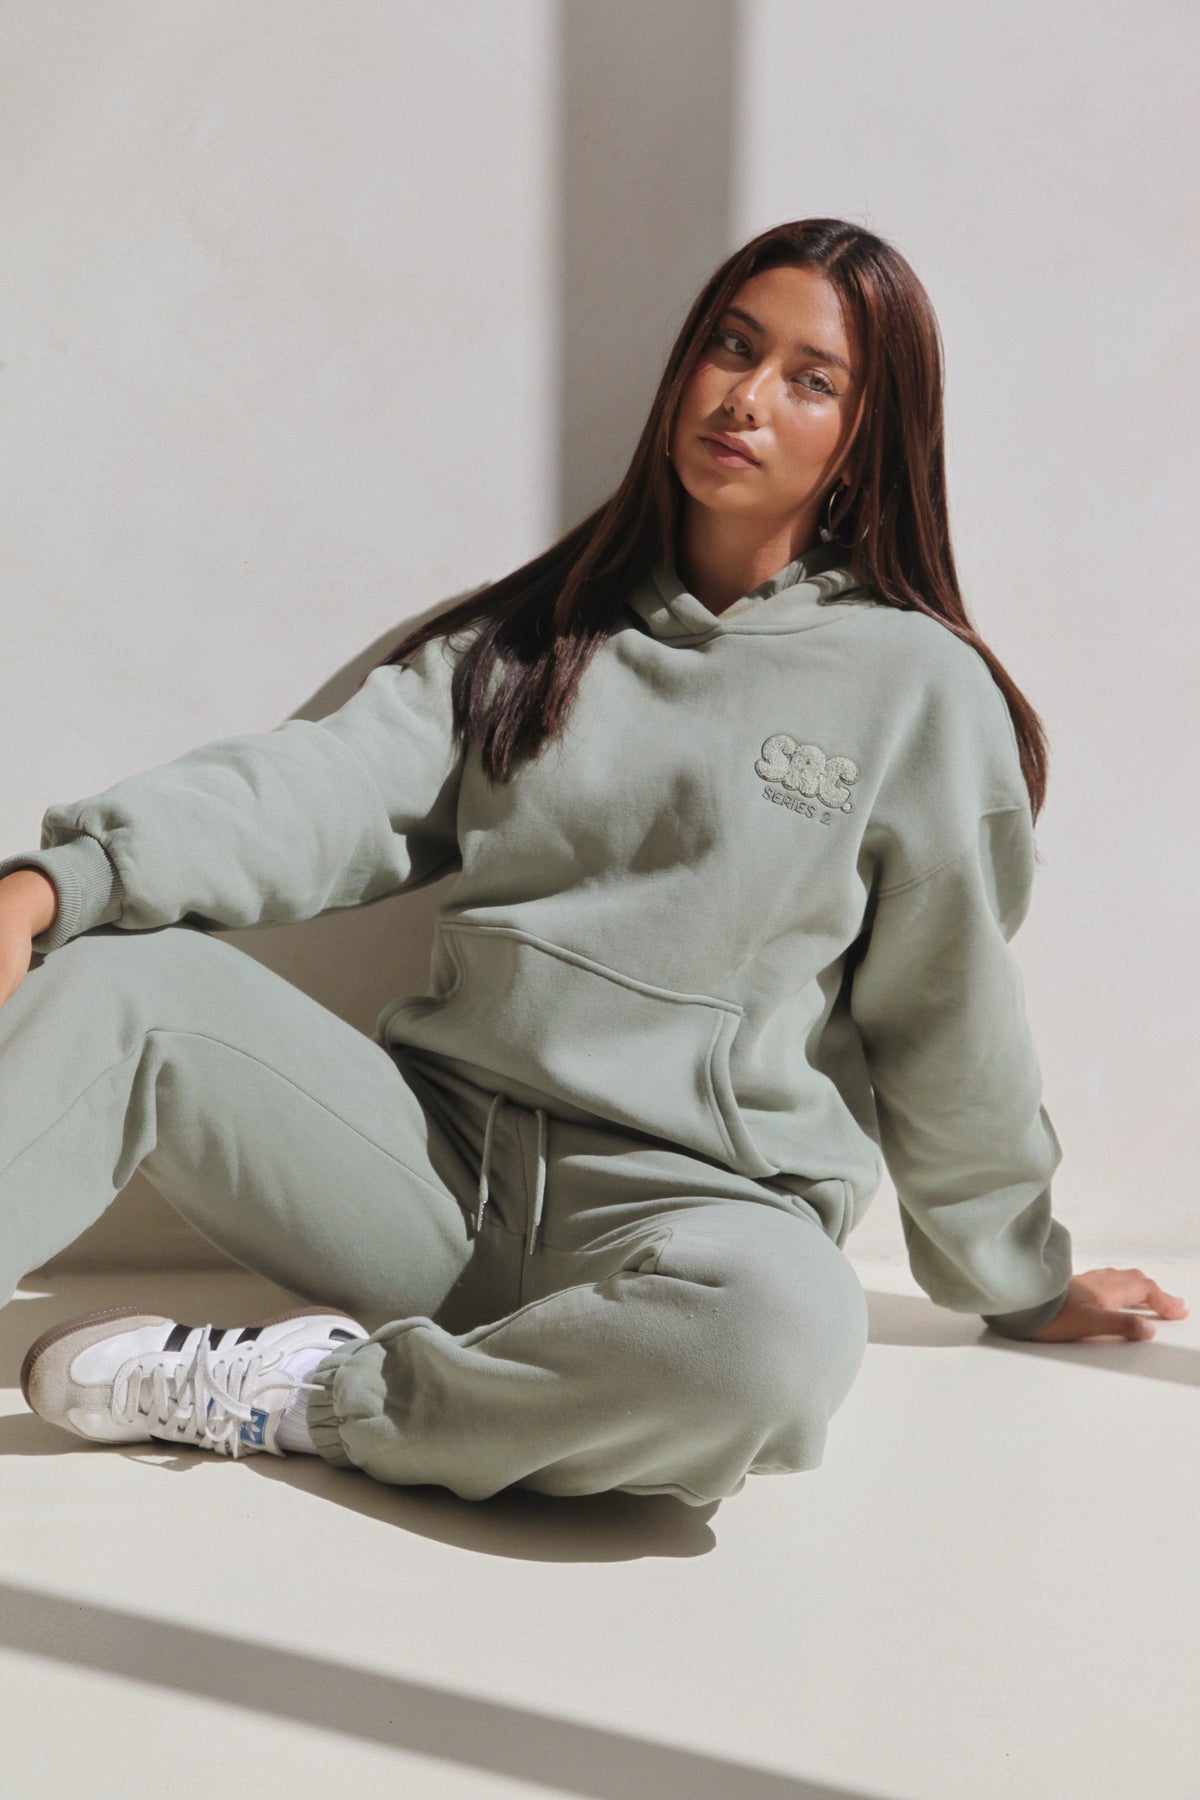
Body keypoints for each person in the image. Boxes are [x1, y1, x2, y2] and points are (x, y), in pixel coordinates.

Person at [0, 217, 1186, 1507]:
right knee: (115, 987)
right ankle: (455, 1389)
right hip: (428, 1179)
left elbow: (950, 1020)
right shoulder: (536, 635)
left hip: (689, 1222)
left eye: (811, 379)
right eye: (731, 346)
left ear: (865, 438)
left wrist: (1022, 1281)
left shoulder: (919, 692)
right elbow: (320, 790)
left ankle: (310, 1398)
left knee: (780, 1346)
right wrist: (59, 883)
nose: (745, 397)